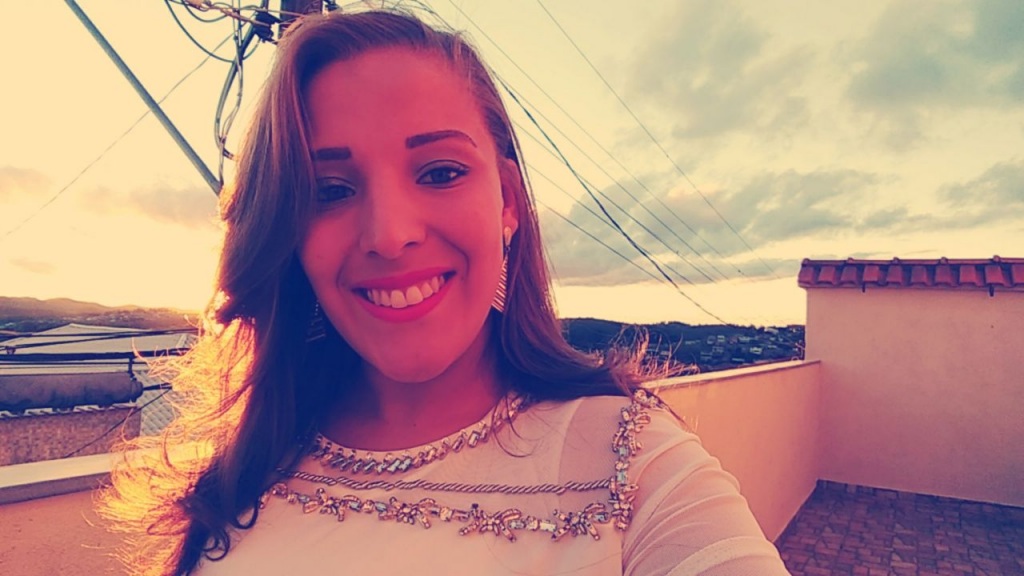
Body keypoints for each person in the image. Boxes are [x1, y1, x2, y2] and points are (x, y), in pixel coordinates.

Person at [101, 9, 791, 576]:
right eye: (330, 190)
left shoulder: (634, 465)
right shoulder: (251, 460)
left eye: (439, 173)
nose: (389, 235)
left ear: (508, 202)